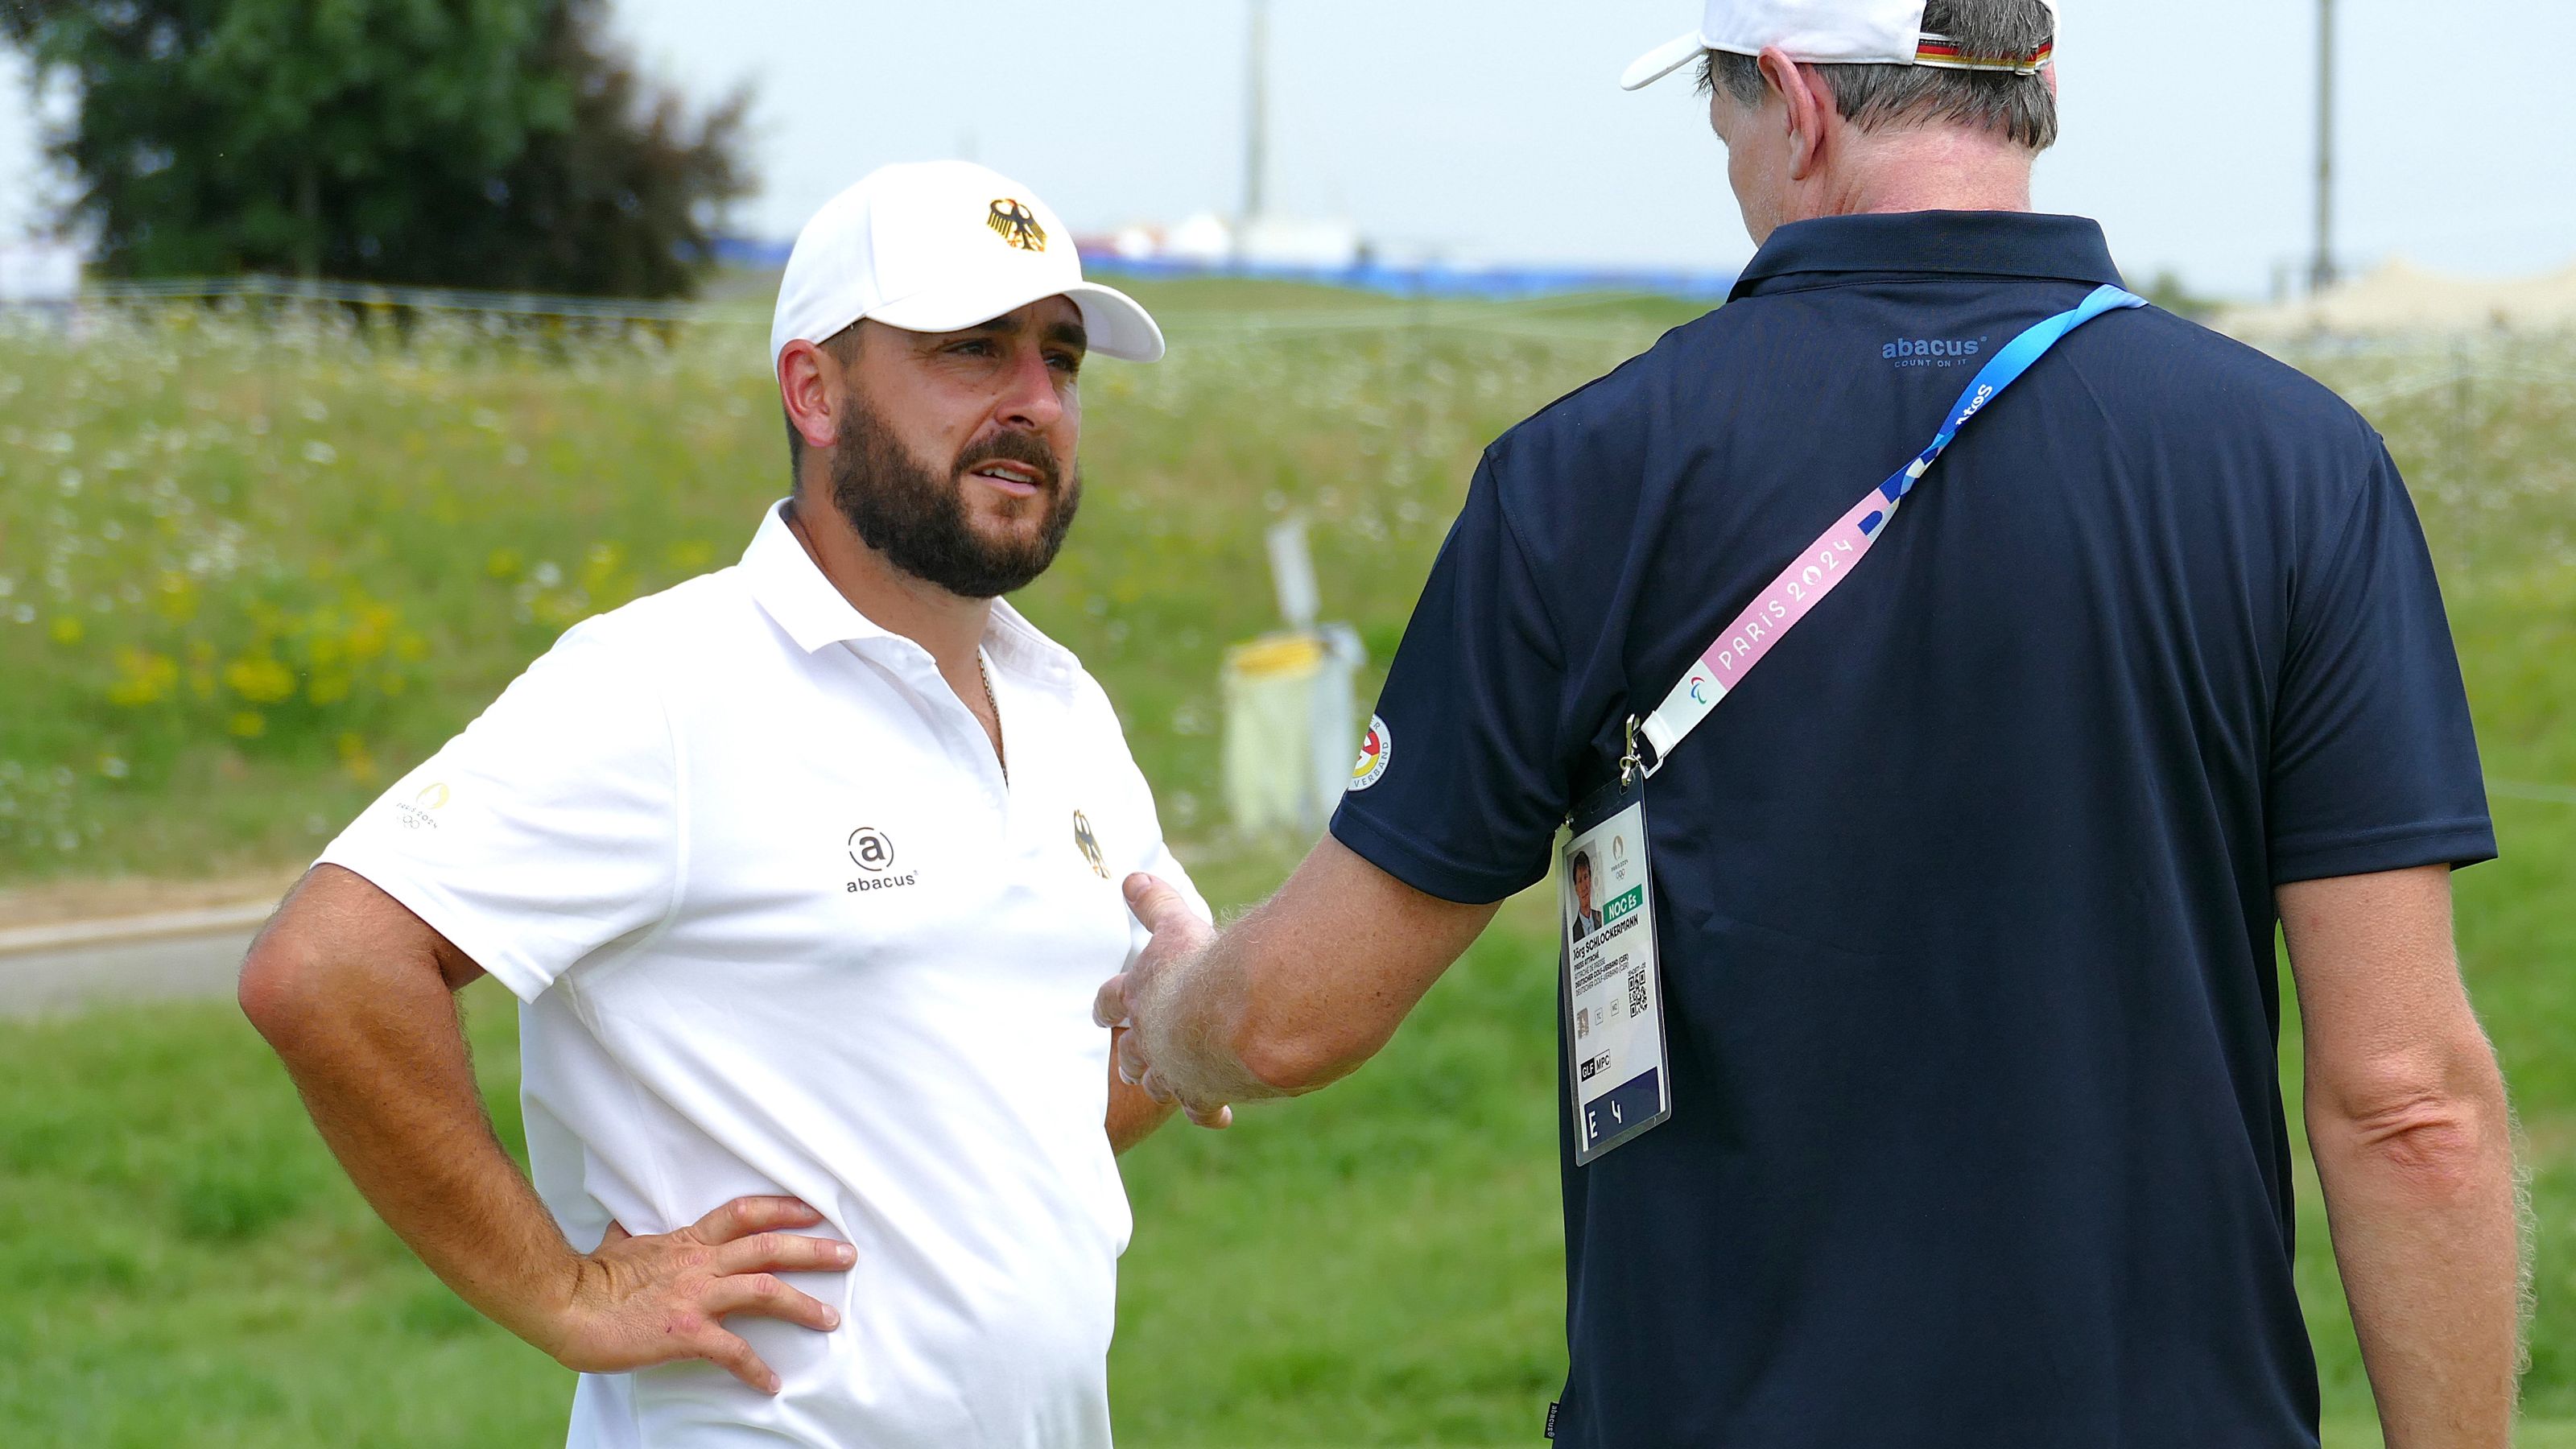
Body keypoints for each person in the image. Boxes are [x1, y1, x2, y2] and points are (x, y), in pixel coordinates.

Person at [1097, 3, 2520, 1446]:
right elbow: (2411, 1104)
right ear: (2037, 82)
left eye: (1725, 126)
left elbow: (1291, 1019)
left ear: (1796, 100)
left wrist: (1166, 1017)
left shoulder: (1588, 472)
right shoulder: (2298, 467)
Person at [239, 160, 1215, 1448]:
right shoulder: (666, 688)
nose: (1034, 401)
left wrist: (1190, 1022)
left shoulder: (1065, 703)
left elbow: (1082, 1073)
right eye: (973, 350)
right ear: (815, 391)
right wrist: (567, 1295)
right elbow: (326, 970)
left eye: (1062, 359)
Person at [1569, 850, 1604, 941]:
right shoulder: (1572, 934)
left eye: (1586, 877)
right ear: (1576, 888)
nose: (1584, 886)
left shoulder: (1603, 918)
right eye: (1580, 881)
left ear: (1590, 880)